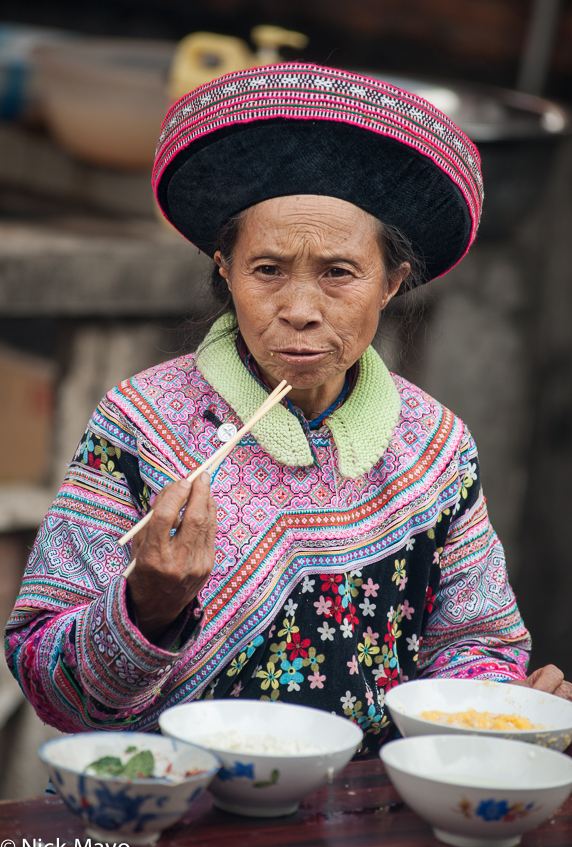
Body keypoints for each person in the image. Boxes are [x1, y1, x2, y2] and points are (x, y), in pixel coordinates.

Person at [6, 63, 570, 755]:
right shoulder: (143, 424)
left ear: (392, 283)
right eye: (267, 269)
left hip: (373, 819)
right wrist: (146, 608)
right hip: (180, 803)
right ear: (224, 268)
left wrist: (504, 701)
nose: (300, 312)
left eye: (338, 273)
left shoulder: (435, 448)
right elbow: (46, 680)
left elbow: (472, 645)